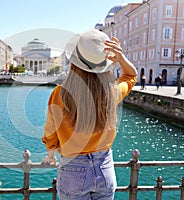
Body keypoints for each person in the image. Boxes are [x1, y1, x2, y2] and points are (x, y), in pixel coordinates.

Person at [41, 29, 137, 200]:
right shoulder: (111, 92)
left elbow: (51, 132)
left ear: (74, 63)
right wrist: (121, 58)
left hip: (73, 168)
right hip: (104, 168)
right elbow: (131, 75)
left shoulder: (60, 94)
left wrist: (50, 154)